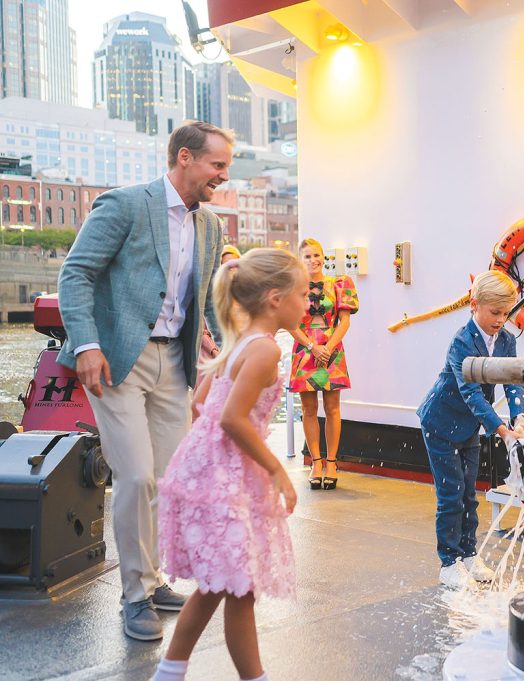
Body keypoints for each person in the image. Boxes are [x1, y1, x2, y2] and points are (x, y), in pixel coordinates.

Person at [57, 120, 233, 641]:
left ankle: (153, 580)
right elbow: (77, 274)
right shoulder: (125, 204)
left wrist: (213, 336)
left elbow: (202, 298)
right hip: (119, 360)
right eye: (217, 165)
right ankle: (134, 596)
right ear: (184, 158)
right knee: (134, 477)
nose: (223, 175)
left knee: (164, 479)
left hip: (174, 364)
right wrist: (87, 345)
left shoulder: (212, 226)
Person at [153, 248, 302, 681]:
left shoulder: (239, 343)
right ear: (275, 298)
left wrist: (216, 459)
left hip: (211, 474)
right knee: (234, 586)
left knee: (226, 584)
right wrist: (274, 469)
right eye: (303, 294)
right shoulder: (266, 352)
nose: (307, 303)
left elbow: (200, 405)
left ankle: (172, 670)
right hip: (226, 480)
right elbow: (231, 417)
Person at [416, 270, 524, 589]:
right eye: (495, 313)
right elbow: (472, 394)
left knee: (469, 493)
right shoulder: (461, 342)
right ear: (474, 305)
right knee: (451, 494)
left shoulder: (505, 339)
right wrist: (502, 431)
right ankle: (448, 562)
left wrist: (519, 417)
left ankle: (468, 553)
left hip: (469, 428)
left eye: (506, 314)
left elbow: (514, 381)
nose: (500, 320)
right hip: (440, 422)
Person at [287, 238, 358, 491]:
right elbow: (290, 323)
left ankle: (331, 463)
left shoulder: (339, 284)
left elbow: (345, 321)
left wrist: (327, 348)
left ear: (323, 257)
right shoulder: (292, 287)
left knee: (332, 408)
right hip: (305, 350)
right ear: (300, 259)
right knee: (308, 409)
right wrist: (311, 346)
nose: (313, 260)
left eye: (316, 255)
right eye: (307, 256)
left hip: (332, 350)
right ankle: (316, 462)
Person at [200, 245, 241, 364]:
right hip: (220, 355)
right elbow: (204, 330)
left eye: (235, 264)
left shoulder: (247, 294)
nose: (231, 268)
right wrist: (214, 351)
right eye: (226, 265)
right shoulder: (213, 297)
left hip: (245, 353)